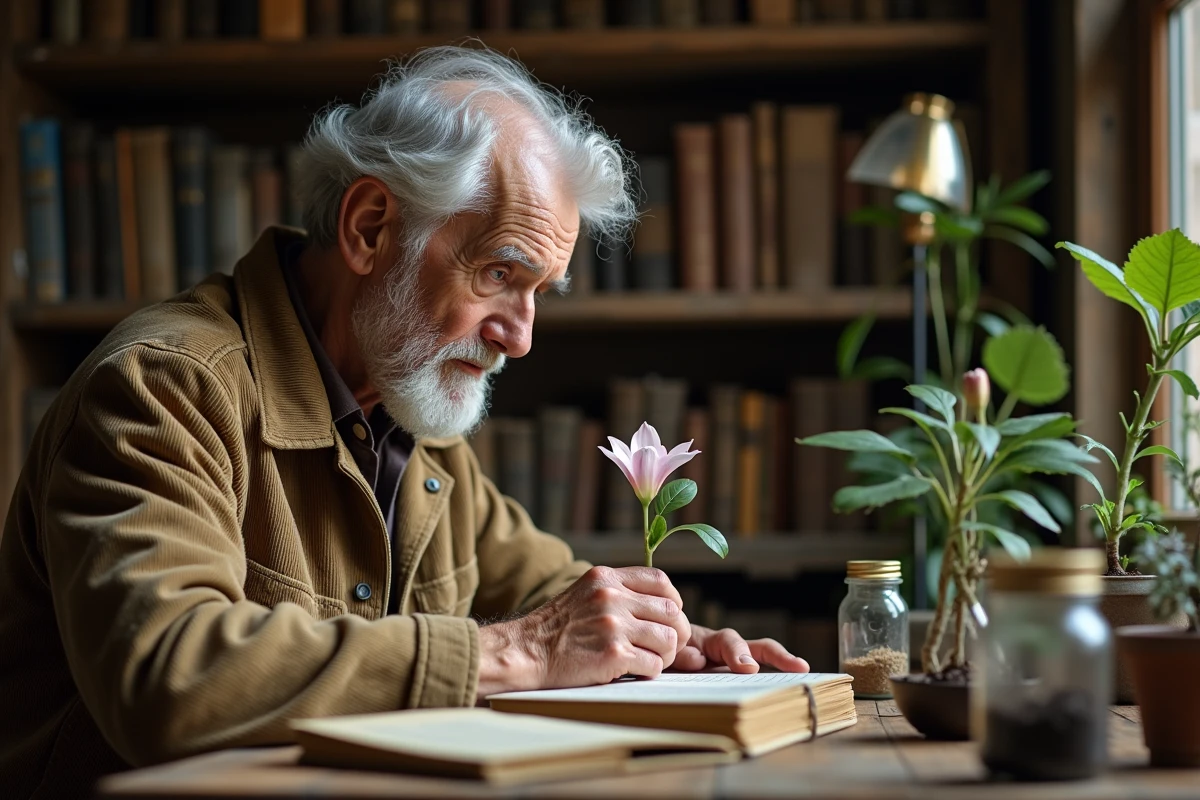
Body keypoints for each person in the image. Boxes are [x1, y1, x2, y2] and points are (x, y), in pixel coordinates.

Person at [0, 46, 809, 797]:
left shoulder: (408, 409)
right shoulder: (164, 387)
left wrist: (665, 643)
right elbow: (167, 677)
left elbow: (541, 585)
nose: (520, 337)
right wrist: (520, 651)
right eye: (498, 273)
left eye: (538, 293)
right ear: (369, 228)